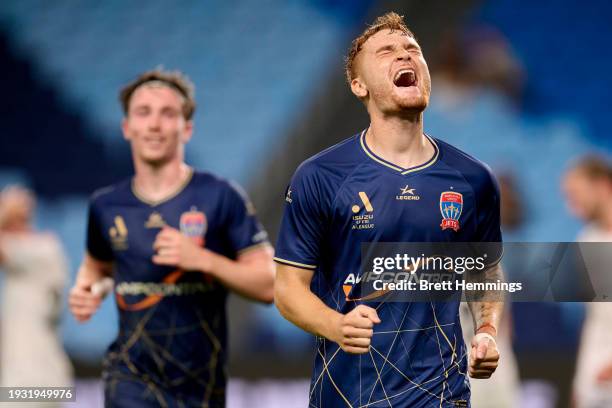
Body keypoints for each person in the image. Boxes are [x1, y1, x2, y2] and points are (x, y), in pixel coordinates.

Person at [274, 12, 503, 407]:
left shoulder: (473, 178)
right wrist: (337, 325)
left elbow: (485, 269)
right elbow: (287, 289)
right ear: (358, 85)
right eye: (387, 51)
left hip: (442, 396)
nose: (405, 56)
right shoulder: (320, 175)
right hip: (348, 396)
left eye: (413, 49)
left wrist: (486, 330)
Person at [68, 69, 275, 407]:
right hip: (129, 378)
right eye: (143, 113)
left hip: (200, 386)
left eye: (167, 114)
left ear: (187, 128)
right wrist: (88, 289)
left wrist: (203, 260)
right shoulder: (105, 205)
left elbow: (269, 285)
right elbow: (98, 268)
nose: (154, 124)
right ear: (127, 128)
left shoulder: (222, 197)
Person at [0, 186, 72, 407]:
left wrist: (4, 210)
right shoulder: (42, 249)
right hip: (51, 377)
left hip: (28, 378)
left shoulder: (41, 248)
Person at [563, 155, 612, 408]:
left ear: (603, 186)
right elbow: (595, 318)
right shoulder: (586, 239)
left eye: (575, 195)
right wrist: (580, 385)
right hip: (594, 386)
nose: (571, 208)